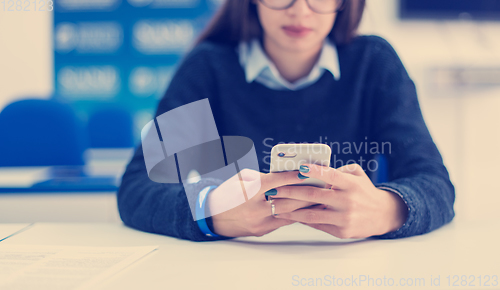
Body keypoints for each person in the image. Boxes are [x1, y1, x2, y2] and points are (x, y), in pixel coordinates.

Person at [117, 0, 455, 241]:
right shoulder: (207, 67)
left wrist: (387, 209)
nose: (300, 9)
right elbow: (137, 187)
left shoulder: (374, 62)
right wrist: (213, 211)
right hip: (232, 271)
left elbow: (434, 182)